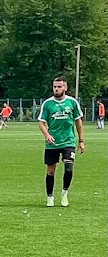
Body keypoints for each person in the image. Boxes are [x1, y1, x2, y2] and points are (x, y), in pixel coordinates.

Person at [38, 77, 85, 207]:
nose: (56, 89)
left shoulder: (72, 102)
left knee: (69, 168)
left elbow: (78, 121)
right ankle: (50, 197)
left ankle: (64, 193)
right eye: (54, 87)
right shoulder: (47, 104)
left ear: (65, 88)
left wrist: (81, 141)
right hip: (52, 143)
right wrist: (47, 134)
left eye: (59, 87)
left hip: (68, 141)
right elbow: (41, 122)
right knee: (51, 171)